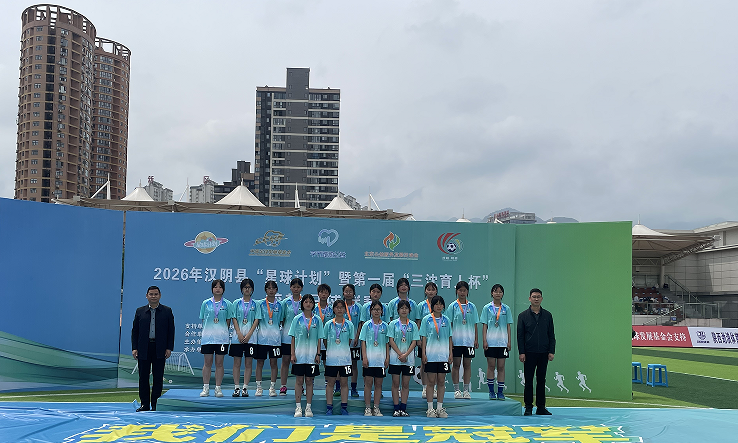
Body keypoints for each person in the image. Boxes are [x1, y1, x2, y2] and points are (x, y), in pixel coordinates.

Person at [131, 285, 174, 411]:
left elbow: (171, 331)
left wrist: (169, 348)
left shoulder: (167, 311)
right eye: (151, 294)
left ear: (160, 296)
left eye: (156, 294)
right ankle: (144, 404)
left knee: (158, 377)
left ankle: (155, 404)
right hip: (143, 348)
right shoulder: (140, 311)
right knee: (143, 377)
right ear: (146, 296)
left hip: (160, 348)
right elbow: (135, 331)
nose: (153, 296)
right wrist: (134, 348)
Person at [517, 288, 556, 416]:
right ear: (529, 299)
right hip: (529, 353)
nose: (536, 299)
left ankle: (541, 407)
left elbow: (551, 335)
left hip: (544, 352)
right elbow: (520, 336)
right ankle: (528, 407)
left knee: (541, 380)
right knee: (528, 380)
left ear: (542, 299)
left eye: (538, 297)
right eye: (534, 297)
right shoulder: (523, 316)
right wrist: (522, 352)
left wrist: (551, 351)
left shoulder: (547, 315)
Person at [288, 294, 323, 417]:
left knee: (309, 380)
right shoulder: (297, 319)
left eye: (310, 302)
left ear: (314, 304)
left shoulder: (317, 320)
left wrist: (318, 354)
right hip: (299, 355)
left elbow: (319, 338)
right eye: (306, 302)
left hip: (312, 356)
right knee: (299, 380)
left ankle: (308, 407)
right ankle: (298, 407)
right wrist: (292, 354)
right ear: (302, 304)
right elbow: (293, 338)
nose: (308, 304)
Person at [419, 295, 453, 418]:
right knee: (431, 382)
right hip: (431, 355)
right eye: (436, 304)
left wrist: (450, 353)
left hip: (443, 356)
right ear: (432, 306)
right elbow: (423, 338)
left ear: (443, 306)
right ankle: (430, 409)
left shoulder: (446, 320)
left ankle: (439, 408)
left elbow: (449, 337)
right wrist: (423, 353)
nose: (438, 306)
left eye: (440, 304)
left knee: (441, 381)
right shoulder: (426, 319)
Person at [480, 283, 513, 400]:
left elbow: (508, 326)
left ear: (502, 294)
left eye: (500, 291)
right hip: (491, 342)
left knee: (501, 367)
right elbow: (484, 326)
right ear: (492, 293)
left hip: (503, 342)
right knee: (491, 366)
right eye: (495, 291)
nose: (498, 293)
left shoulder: (506, 309)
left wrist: (509, 341)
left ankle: (500, 392)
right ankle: (491, 391)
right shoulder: (487, 308)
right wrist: (484, 340)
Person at [447, 281, 479, 400]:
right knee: (456, 365)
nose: (462, 292)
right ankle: (456, 390)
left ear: (467, 292)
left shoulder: (472, 307)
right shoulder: (452, 306)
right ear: (456, 291)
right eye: (460, 290)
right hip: (456, 341)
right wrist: (450, 342)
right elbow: (449, 325)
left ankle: (466, 390)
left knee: (467, 365)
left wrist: (476, 339)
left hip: (469, 341)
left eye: (464, 290)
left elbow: (475, 324)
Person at [199, 279, 232, 398]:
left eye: (220, 287)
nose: (218, 289)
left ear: (223, 289)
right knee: (207, 363)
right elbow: (203, 319)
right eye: (215, 287)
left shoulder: (228, 304)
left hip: (222, 339)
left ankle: (218, 388)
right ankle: (206, 387)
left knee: (219, 363)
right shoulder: (206, 303)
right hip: (208, 338)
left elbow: (228, 321)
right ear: (212, 289)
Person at [228, 278, 259, 397]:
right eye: (245, 287)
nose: (247, 289)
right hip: (238, 338)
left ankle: (245, 387)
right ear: (241, 289)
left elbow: (256, 320)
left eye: (249, 287)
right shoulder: (236, 303)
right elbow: (234, 319)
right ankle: (236, 387)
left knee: (248, 363)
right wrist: (239, 333)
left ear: (252, 289)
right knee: (237, 363)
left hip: (251, 338)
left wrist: (249, 334)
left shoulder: (255, 304)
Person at [387, 299, 419, 416]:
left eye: (406, 308)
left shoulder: (413, 325)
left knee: (405, 384)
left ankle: (403, 408)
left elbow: (414, 341)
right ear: (398, 310)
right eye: (402, 308)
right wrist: (400, 354)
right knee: (395, 384)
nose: (404, 310)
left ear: (409, 310)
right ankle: (396, 408)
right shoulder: (393, 324)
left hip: (409, 360)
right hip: (395, 359)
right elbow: (391, 340)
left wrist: (406, 355)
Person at [323, 299, 355, 415]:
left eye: (342, 307)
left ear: (345, 310)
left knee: (344, 383)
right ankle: (329, 407)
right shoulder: (328, 324)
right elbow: (325, 341)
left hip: (345, 360)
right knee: (330, 382)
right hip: (331, 360)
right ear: (333, 309)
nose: (339, 309)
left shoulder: (349, 324)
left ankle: (344, 407)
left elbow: (350, 340)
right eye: (337, 307)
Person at [359, 300, 389, 417]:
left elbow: (387, 343)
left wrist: (387, 358)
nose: (376, 311)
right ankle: (367, 408)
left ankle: (376, 407)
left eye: (378, 309)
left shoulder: (385, 326)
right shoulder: (366, 325)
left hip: (380, 359)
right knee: (368, 383)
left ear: (382, 311)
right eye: (374, 309)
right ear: (370, 311)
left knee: (378, 384)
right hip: (369, 359)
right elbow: (363, 342)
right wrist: (364, 357)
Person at [255, 280, 285, 397]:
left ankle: (272, 387)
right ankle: (259, 387)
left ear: (276, 290)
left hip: (275, 340)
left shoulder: (280, 305)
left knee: (274, 363)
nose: (271, 290)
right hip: (262, 339)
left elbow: (281, 321)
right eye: (269, 288)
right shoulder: (260, 304)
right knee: (260, 363)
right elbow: (257, 320)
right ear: (265, 290)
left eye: (273, 288)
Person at [279, 278, 304, 396]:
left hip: (301, 339)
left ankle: (301, 386)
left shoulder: (305, 301)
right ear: (290, 288)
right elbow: (283, 319)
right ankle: (283, 386)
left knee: (301, 363)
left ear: (301, 288)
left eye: (298, 287)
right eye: (294, 287)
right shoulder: (285, 302)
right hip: (287, 337)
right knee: (285, 361)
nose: (296, 289)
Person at [416, 282, 437, 399]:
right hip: (424, 340)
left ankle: (433, 388)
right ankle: (424, 388)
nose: (431, 292)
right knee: (424, 364)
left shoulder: (439, 304)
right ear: (425, 291)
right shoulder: (421, 305)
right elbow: (418, 322)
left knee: (435, 365)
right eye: (428, 289)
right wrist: (419, 338)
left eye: (433, 289)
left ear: (436, 291)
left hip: (436, 341)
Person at [342, 283, 363, 397]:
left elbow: (360, 323)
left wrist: (357, 337)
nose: (348, 293)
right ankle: (338, 388)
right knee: (340, 364)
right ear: (343, 293)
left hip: (355, 341)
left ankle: (354, 388)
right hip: (342, 342)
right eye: (346, 291)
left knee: (354, 364)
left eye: (350, 291)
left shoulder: (358, 307)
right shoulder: (340, 306)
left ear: (354, 293)